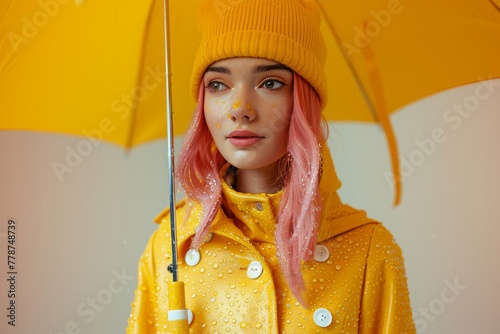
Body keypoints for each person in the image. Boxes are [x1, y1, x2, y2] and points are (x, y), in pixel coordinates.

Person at [127, 0, 415, 332]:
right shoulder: (169, 247)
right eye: (218, 84)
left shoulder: (368, 251)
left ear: (304, 101)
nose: (240, 109)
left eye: (270, 83)